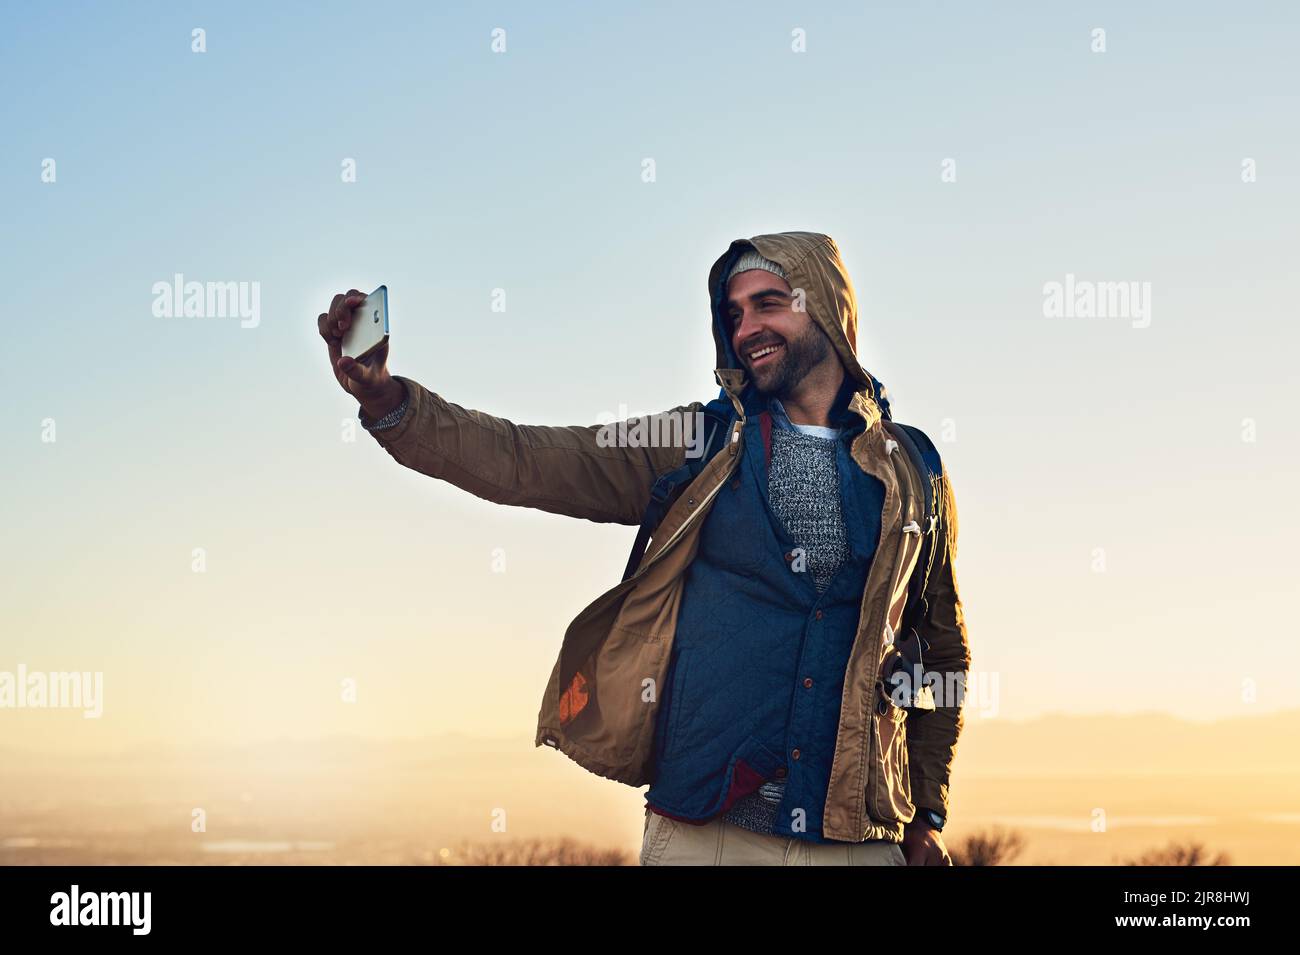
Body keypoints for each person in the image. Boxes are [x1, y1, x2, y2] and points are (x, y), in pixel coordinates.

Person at [317, 231, 971, 866]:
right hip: (704, 834)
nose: (746, 328)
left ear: (828, 307)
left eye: (769, 303)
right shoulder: (698, 442)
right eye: (734, 313)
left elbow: (941, 650)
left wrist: (927, 815)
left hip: (859, 839)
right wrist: (389, 400)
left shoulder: (913, 467)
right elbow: (527, 460)